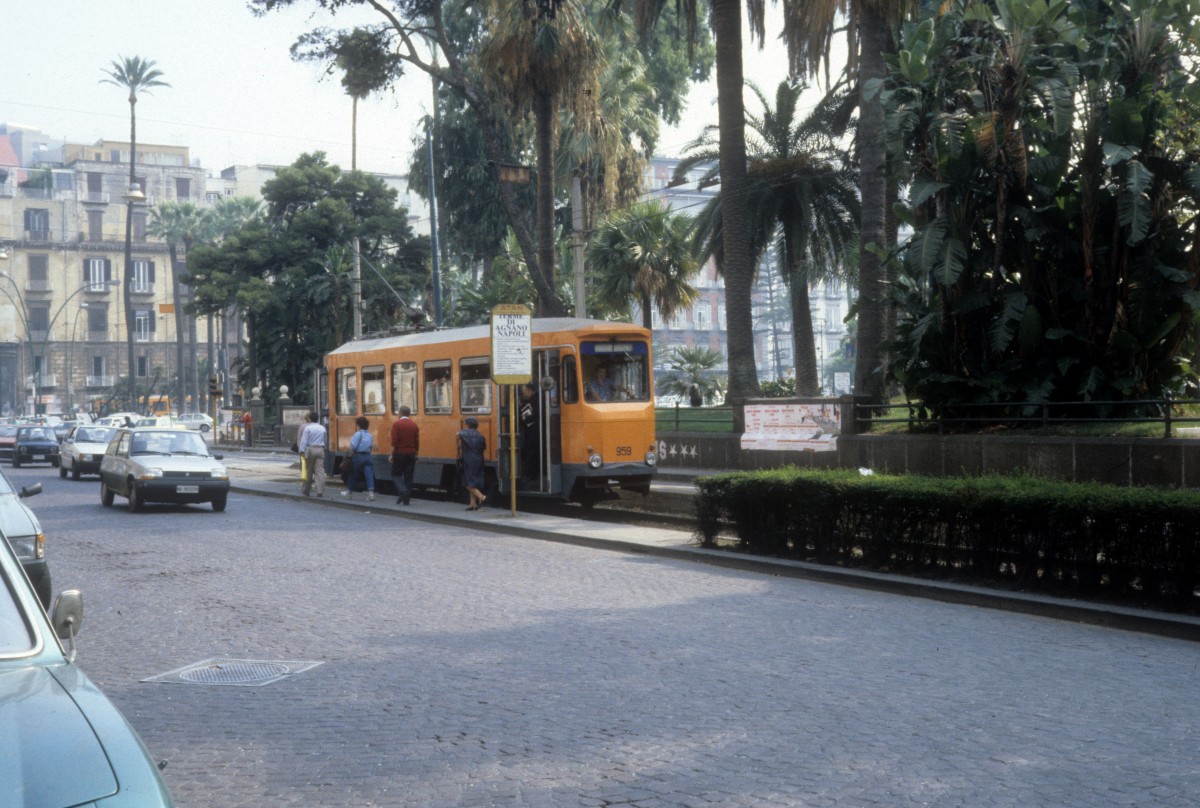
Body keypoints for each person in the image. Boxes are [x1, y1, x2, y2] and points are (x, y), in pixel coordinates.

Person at [389, 405, 419, 505]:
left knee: (395, 474)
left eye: (398, 413)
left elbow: (394, 441)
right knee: (408, 476)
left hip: (399, 453)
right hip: (411, 453)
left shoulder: (397, 424)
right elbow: (416, 442)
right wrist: (416, 454)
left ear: (401, 413)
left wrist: (391, 454)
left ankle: (403, 491)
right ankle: (406, 500)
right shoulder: (414, 425)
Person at [341, 416, 376, 501]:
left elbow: (353, 446)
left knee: (353, 474)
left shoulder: (358, 434)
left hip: (358, 456)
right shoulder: (370, 435)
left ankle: (349, 492)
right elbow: (371, 446)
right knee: (369, 475)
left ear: (359, 425)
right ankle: (371, 493)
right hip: (368, 456)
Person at [457, 416, 487, 510]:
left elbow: (457, 435)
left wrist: (458, 445)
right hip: (479, 459)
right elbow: (484, 447)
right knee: (474, 481)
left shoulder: (464, 432)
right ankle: (472, 503)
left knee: (467, 482)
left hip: (469, 459)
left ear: (468, 425)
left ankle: (481, 497)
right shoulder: (480, 435)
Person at [297, 411, 327, 497]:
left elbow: (304, 441)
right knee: (320, 471)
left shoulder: (308, 428)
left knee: (308, 470)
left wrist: (301, 451)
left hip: (310, 449)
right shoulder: (322, 428)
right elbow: (325, 440)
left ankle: (306, 490)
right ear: (318, 418)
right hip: (320, 449)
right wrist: (324, 447)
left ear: (310, 418)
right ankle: (320, 490)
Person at [518, 382, 540, 485]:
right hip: (531, 430)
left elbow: (534, 415)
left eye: (525, 392)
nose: (524, 394)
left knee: (531, 452)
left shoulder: (535, 400)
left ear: (530, 391)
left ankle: (530, 475)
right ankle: (530, 474)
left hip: (533, 430)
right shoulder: (535, 399)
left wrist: (523, 417)